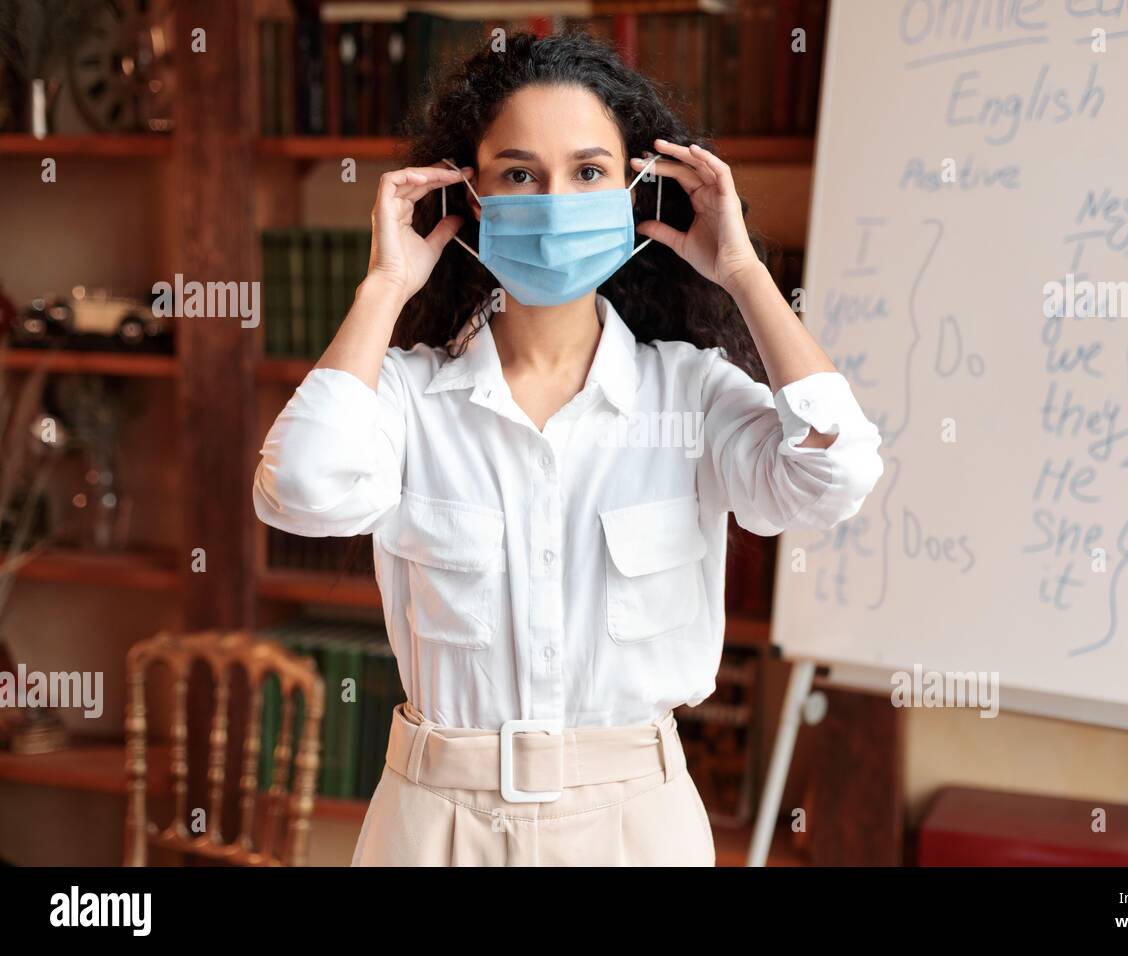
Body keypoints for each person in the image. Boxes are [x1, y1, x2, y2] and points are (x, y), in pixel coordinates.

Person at [252, 31, 883, 866]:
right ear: (468, 196)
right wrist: (384, 285)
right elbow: (299, 490)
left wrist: (741, 268)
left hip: (636, 822)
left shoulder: (689, 392)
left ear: (636, 191)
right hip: (435, 822)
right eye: (520, 174)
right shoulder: (405, 395)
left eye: (588, 173)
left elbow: (834, 476)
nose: (553, 202)